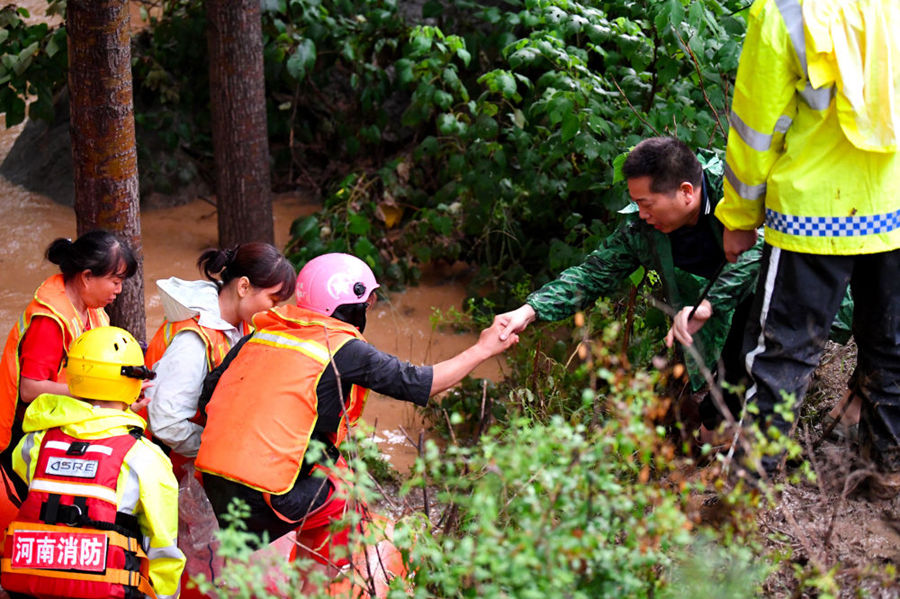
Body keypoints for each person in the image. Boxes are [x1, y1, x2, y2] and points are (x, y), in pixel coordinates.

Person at [195, 252, 518, 567]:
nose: (369, 309)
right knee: (345, 493)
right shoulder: (344, 348)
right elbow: (421, 382)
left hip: (214, 485)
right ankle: (313, 590)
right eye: (367, 302)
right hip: (264, 502)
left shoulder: (263, 334)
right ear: (350, 304)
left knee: (329, 465)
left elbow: (208, 396)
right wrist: (483, 348)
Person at [716, 0, 900, 483]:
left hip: (812, 218)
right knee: (894, 347)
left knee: (780, 356)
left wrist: (738, 216)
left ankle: (748, 490)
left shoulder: (783, 10)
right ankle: (888, 473)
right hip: (894, 209)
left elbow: (755, 129)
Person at [495, 137, 766, 433]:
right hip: (702, 314)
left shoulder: (736, 190)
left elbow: (759, 251)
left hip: (768, 295)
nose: (641, 214)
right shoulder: (642, 229)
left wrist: (709, 304)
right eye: (636, 204)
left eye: (645, 204)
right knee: (708, 408)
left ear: (686, 192)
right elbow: (592, 274)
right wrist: (529, 310)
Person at [0, 326, 184, 599]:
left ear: (73, 377)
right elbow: (163, 548)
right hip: (108, 589)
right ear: (133, 384)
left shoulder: (35, 442)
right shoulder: (146, 458)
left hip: (33, 587)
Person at [0, 231, 137, 509]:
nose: (119, 290)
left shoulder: (94, 311)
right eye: (115, 281)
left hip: (57, 418)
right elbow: (30, 389)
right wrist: (96, 394)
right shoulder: (50, 319)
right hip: (20, 432)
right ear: (87, 276)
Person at [144, 242, 296, 473]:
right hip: (165, 465)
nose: (275, 311)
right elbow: (166, 423)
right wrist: (227, 451)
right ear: (244, 287)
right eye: (273, 300)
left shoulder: (243, 326)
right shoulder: (192, 339)